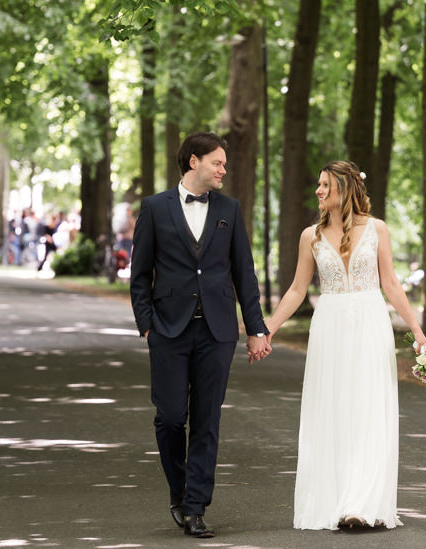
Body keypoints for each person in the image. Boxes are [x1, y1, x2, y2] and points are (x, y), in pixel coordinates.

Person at [265, 160, 426, 531]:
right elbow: (296, 289)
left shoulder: (377, 230)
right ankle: (334, 500)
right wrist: (268, 329)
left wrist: (417, 332)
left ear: (345, 188)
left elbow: (391, 284)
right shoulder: (311, 236)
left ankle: (361, 504)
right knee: (334, 408)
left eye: (325, 185)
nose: (319, 191)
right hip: (331, 327)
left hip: (371, 324)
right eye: (318, 185)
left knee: (369, 409)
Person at [129, 131, 271, 539]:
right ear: (194, 162)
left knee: (206, 419)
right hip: (168, 329)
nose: (224, 169)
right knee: (171, 417)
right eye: (218, 162)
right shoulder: (155, 208)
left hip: (218, 330)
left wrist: (256, 328)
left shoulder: (229, 208)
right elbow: (139, 274)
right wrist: (146, 323)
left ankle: (195, 507)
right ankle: (178, 489)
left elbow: (244, 272)